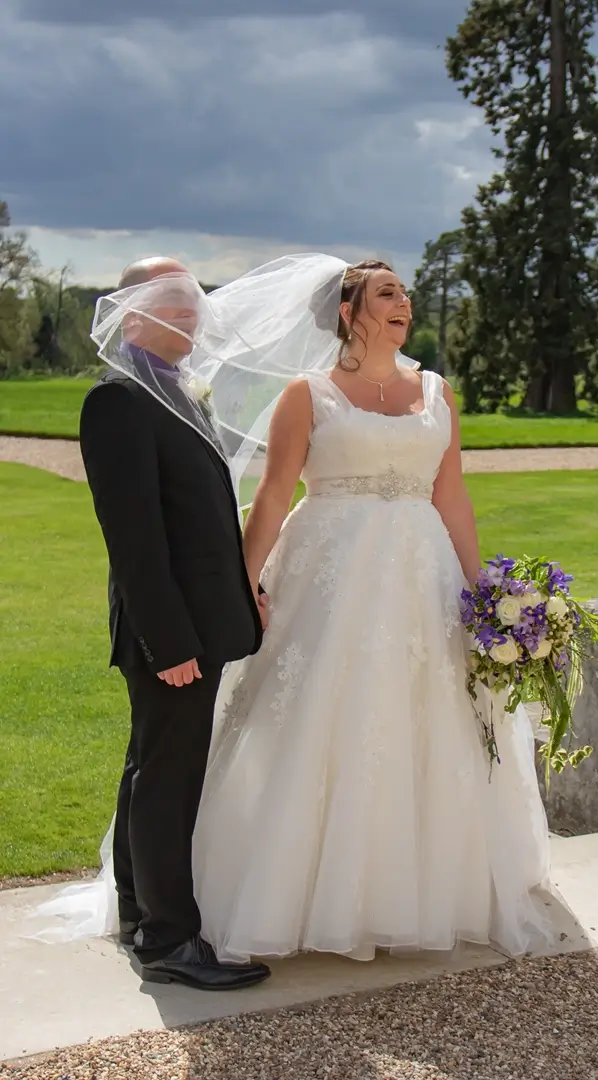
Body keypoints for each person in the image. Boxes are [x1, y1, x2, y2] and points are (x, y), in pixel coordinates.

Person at [189, 258, 551, 961]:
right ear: (351, 311)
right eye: (388, 293)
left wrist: (487, 598)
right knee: (321, 713)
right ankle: (291, 893)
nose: (404, 303)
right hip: (330, 574)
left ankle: (420, 890)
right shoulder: (309, 393)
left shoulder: (438, 393)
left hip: (424, 576)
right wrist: (245, 581)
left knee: (427, 718)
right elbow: (271, 497)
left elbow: (452, 498)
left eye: (406, 294)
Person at [76, 257, 270, 990]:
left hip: (198, 622)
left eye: (192, 305)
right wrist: (170, 642)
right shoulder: (119, 402)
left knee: (149, 768)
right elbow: (134, 540)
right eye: (173, 306)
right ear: (131, 314)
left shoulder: (181, 392)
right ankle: (169, 942)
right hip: (171, 634)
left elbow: (199, 518)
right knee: (169, 780)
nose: (191, 318)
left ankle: (138, 912)